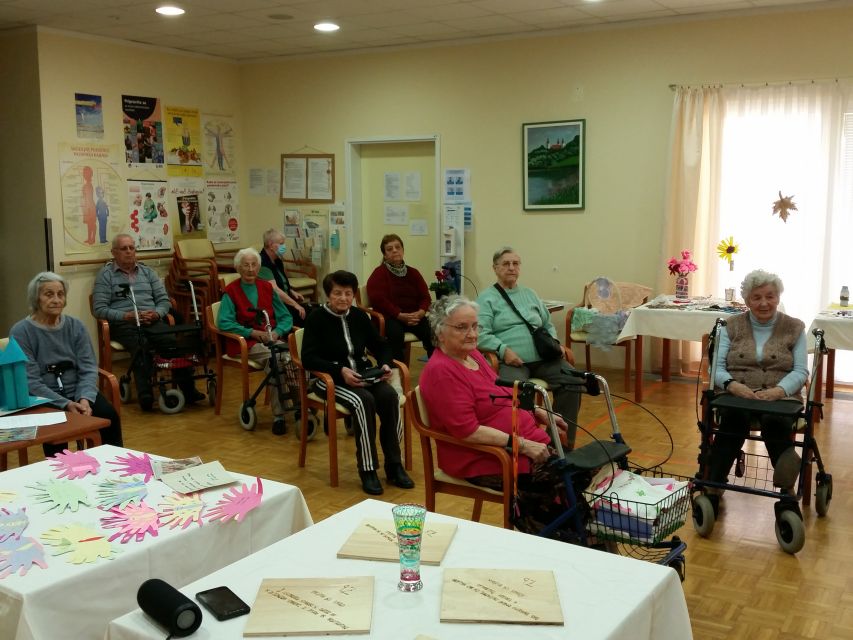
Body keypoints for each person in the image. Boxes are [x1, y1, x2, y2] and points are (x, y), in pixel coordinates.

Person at [419, 295, 570, 531]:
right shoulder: (441, 371)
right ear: (439, 332)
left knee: (578, 473)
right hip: (481, 457)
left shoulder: (473, 355)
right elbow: (467, 431)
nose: (472, 334)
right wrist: (522, 445)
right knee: (560, 484)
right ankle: (549, 541)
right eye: (461, 327)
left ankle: (574, 539)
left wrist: (536, 409)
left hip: (516, 446)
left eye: (475, 326)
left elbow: (501, 392)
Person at [301, 270, 413, 495]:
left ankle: (394, 464)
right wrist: (339, 370)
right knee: (364, 402)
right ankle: (368, 469)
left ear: (353, 295)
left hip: (362, 375)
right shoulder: (316, 318)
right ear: (328, 295)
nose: (343, 298)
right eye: (337, 293)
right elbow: (308, 358)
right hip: (330, 379)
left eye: (348, 293)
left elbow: (381, 345)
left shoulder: (359, 317)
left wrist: (384, 364)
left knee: (389, 396)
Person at [708, 269, 808, 500]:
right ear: (747, 301)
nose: (764, 303)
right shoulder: (730, 326)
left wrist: (779, 391)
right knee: (734, 420)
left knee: (775, 422)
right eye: (757, 297)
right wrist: (732, 385)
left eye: (770, 296)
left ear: (778, 297)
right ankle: (714, 484)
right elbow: (716, 368)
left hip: (781, 396)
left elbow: (801, 370)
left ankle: (786, 488)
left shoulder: (794, 327)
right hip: (736, 393)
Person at [476, 246, 582, 448]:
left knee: (574, 381)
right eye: (506, 264)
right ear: (495, 268)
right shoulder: (486, 298)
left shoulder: (530, 294)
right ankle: (528, 445)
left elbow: (547, 324)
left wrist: (554, 344)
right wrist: (503, 350)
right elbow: (480, 333)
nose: (511, 267)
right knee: (515, 393)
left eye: (515, 263)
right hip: (512, 362)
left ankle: (559, 445)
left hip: (544, 359)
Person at [10, 272, 123, 456]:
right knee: (57, 431)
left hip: (79, 391)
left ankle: (111, 464)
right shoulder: (21, 331)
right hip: (45, 397)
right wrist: (66, 404)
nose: (56, 300)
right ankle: (61, 471)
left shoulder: (76, 326)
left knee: (109, 416)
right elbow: (31, 381)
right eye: (49, 294)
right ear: (36, 298)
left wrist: (84, 399)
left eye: (60, 294)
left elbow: (88, 368)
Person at [92, 233, 204, 410]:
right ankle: (145, 393)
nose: (129, 252)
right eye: (124, 248)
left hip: (151, 320)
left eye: (131, 248)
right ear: (114, 252)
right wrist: (126, 316)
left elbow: (164, 301)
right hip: (125, 323)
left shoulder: (147, 272)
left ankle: (189, 390)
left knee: (171, 342)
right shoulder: (106, 275)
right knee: (141, 345)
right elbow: (99, 309)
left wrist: (157, 314)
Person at [217, 248, 293, 435]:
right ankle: (279, 416)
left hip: (271, 339)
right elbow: (223, 322)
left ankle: (299, 406)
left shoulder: (267, 287)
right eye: (246, 265)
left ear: (259, 267)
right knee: (276, 359)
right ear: (238, 268)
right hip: (246, 343)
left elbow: (286, 317)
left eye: (254, 265)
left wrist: (277, 332)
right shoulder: (231, 291)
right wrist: (251, 332)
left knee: (292, 358)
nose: (250, 269)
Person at [366, 234, 434, 362]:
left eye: (398, 247)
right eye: (389, 249)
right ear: (385, 255)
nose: (395, 251)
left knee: (433, 331)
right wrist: (399, 315)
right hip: (389, 317)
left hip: (414, 316)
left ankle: (437, 367)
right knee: (395, 334)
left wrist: (421, 312)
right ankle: (398, 370)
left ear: (403, 250)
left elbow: (425, 297)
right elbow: (378, 300)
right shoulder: (379, 273)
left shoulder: (414, 273)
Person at [259, 228, 310, 326]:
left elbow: (282, 281)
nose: (284, 246)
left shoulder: (277, 260)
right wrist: (295, 304)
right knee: (305, 316)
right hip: (275, 305)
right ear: (271, 245)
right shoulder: (262, 262)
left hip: (284, 302)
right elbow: (275, 290)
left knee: (312, 310)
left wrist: (291, 291)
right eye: (281, 243)